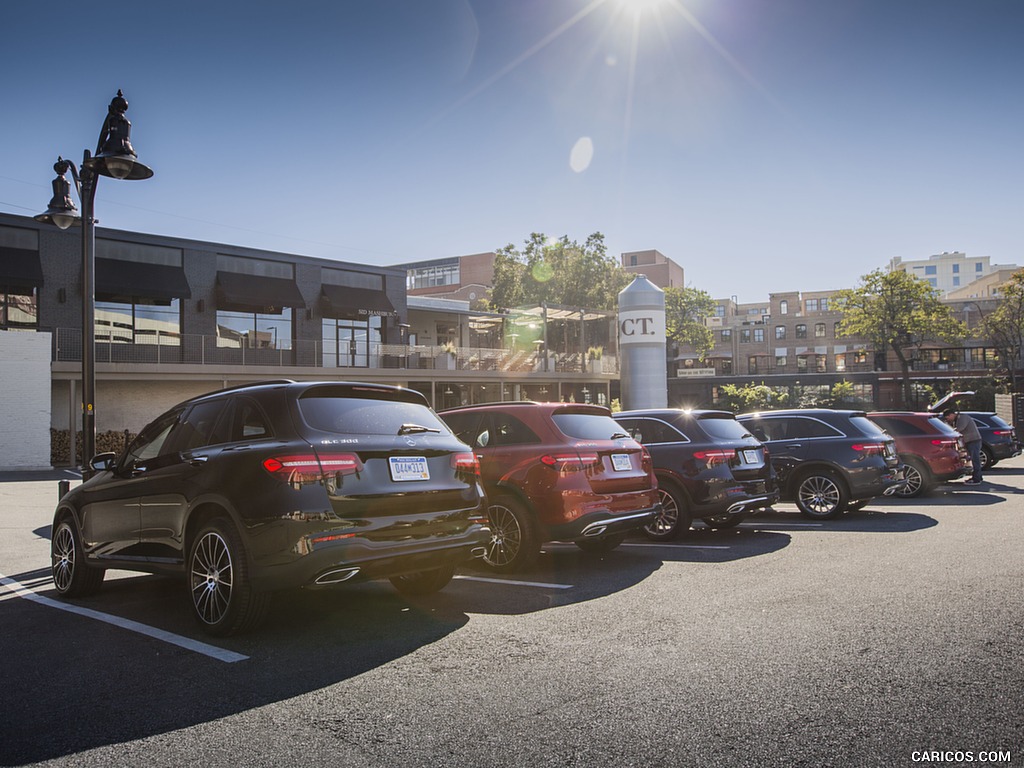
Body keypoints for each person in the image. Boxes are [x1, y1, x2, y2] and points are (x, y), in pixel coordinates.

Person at [943, 408, 983, 485]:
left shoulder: (962, 418)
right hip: (970, 441)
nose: (947, 420)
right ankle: (978, 477)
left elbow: (959, 429)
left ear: (951, 414)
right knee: (973, 460)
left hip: (974, 441)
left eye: (947, 418)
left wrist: (947, 429)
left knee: (975, 460)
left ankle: (977, 479)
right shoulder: (957, 419)